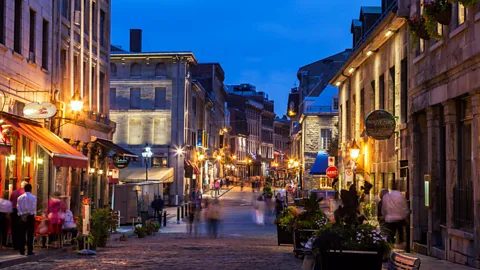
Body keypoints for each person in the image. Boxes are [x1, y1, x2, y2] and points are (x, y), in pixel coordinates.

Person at [16, 184, 36, 255]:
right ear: (30, 189)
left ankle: (22, 250)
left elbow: (18, 207)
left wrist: (22, 215)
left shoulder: (19, 198)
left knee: (22, 234)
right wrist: (28, 215)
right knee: (30, 234)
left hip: (22, 217)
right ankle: (29, 250)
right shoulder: (33, 197)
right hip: (30, 217)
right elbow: (32, 208)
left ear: (24, 189)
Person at [10, 181, 27, 250]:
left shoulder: (14, 192)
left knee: (14, 228)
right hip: (21, 212)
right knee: (21, 229)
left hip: (13, 211)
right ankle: (21, 245)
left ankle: (15, 245)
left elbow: (10, 201)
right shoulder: (25, 193)